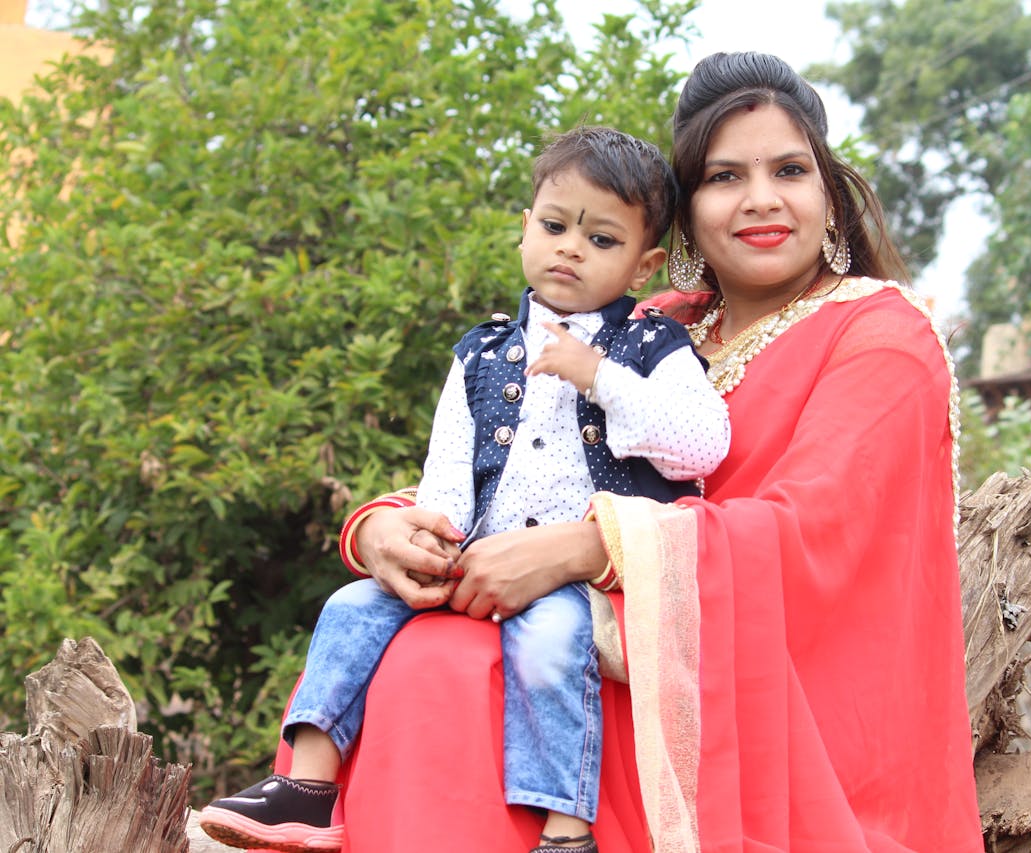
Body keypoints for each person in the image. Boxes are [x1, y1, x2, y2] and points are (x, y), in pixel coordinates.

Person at [267, 51, 984, 851]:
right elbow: (518, 457)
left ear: (830, 192)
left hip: (750, 698)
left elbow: (808, 537)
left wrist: (584, 548)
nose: (761, 199)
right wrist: (382, 529)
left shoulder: (881, 336)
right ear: (685, 214)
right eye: (724, 177)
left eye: (789, 169)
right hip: (607, 639)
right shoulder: (653, 321)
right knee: (407, 650)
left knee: (455, 671)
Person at [198, 126, 730, 853]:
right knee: (351, 606)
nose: (571, 248)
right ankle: (307, 789)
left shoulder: (651, 347)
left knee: (551, 645)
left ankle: (566, 829)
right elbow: (449, 462)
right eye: (555, 227)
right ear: (526, 229)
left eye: (601, 239)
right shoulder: (482, 348)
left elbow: (703, 445)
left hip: (578, 580)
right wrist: (433, 536)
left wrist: (599, 377)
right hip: (475, 555)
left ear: (644, 265)